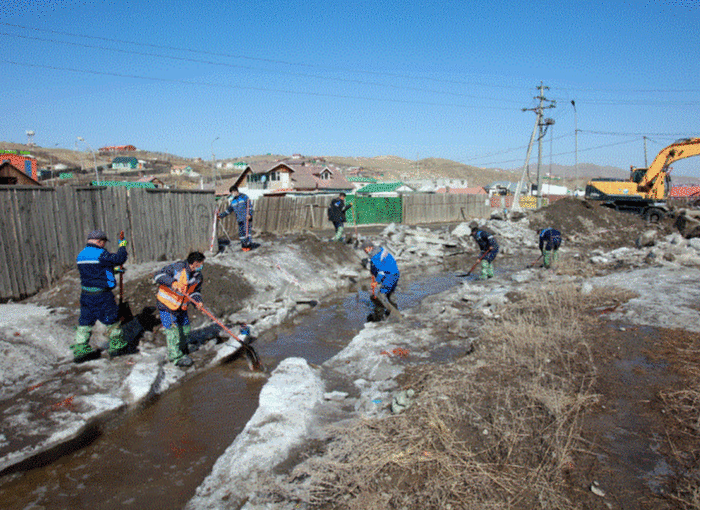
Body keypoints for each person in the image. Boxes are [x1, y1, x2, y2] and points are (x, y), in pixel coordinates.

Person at [71, 229, 130, 363]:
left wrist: (113, 270)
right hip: (102, 295)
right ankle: (117, 347)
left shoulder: (81, 255)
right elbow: (120, 258)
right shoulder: (101, 254)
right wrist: (122, 245)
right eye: (103, 242)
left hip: (86, 294)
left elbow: (95, 271)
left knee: (85, 322)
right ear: (99, 241)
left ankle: (80, 349)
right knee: (112, 320)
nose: (104, 245)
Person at [153, 251, 206, 367]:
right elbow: (158, 275)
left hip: (181, 307)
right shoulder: (177, 268)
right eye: (201, 263)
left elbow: (195, 292)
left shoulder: (198, 276)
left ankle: (182, 349)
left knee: (185, 330)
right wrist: (172, 283)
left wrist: (198, 302)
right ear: (194, 263)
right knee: (173, 332)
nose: (202, 266)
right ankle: (176, 357)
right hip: (167, 305)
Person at [361, 239, 401, 321]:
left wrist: (376, 282)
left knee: (380, 296)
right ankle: (394, 310)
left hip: (389, 276)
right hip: (395, 273)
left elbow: (381, 272)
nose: (364, 251)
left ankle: (390, 314)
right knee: (390, 295)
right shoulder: (380, 250)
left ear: (369, 248)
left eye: (364, 249)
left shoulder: (375, 257)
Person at [218, 186, 254, 251]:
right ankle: (244, 246)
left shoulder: (244, 197)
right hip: (239, 219)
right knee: (241, 234)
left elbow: (250, 207)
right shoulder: (233, 201)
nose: (232, 194)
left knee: (247, 233)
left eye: (232, 192)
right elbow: (229, 210)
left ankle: (248, 246)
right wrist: (221, 215)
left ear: (235, 191)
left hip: (246, 218)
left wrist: (250, 214)